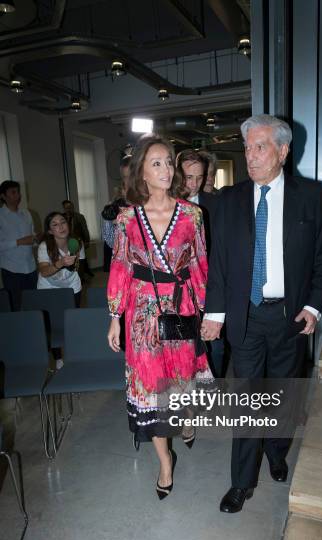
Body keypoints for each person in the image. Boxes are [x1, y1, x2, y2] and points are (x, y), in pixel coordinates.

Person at [201, 114, 322, 513]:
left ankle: (277, 451)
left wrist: (312, 306)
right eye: (246, 148)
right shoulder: (229, 199)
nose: (251, 156)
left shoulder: (311, 196)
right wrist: (216, 314)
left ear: (282, 151)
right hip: (245, 317)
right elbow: (219, 263)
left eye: (260, 147)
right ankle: (241, 482)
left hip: (289, 318)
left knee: (280, 397)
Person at [107, 135, 213, 499]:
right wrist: (114, 315)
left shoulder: (192, 214)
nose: (167, 169)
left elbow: (200, 264)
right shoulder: (126, 219)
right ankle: (165, 463)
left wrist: (208, 312)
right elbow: (120, 266)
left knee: (180, 384)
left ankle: (184, 423)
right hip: (142, 314)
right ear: (142, 172)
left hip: (181, 308)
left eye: (169, 162)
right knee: (153, 389)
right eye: (157, 163)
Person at [177, 149, 226, 377]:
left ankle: (214, 389)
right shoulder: (165, 206)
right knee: (182, 345)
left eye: (199, 177)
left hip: (211, 285)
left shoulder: (216, 204)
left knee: (214, 344)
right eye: (189, 177)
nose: (195, 184)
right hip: (177, 288)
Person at [37, 211, 85, 368]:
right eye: (55, 225)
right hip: (48, 286)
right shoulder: (45, 246)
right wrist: (61, 263)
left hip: (72, 286)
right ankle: (58, 359)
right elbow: (44, 272)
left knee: (72, 321)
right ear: (50, 231)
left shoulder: (77, 242)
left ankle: (75, 354)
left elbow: (80, 268)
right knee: (53, 324)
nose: (61, 226)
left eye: (63, 222)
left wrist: (73, 266)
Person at [0, 180, 37, 310]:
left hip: (30, 267)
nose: (18, 195)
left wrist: (37, 239)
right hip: (12, 270)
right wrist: (19, 242)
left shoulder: (26, 213)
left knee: (33, 303)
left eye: (18, 192)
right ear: (3, 196)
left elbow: (32, 236)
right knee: (16, 305)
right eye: (13, 192)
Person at [101, 155, 132, 271]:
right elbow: (109, 241)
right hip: (124, 265)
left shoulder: (153, 202)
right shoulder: (115, 205)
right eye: (126, 177)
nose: (130, 181)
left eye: (133, 176)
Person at [62, 199, 93, 278]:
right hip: (66, 242)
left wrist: (87, 241)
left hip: (78, 241)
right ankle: (71, 277)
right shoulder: (62, 218)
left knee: (81, 260)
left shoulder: (79, 217)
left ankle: (80, 277)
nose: (68, 209)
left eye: (70, 207)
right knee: (69, 260)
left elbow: (85, 229)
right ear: (64, 208)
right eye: (66, 208)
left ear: (72, 207)